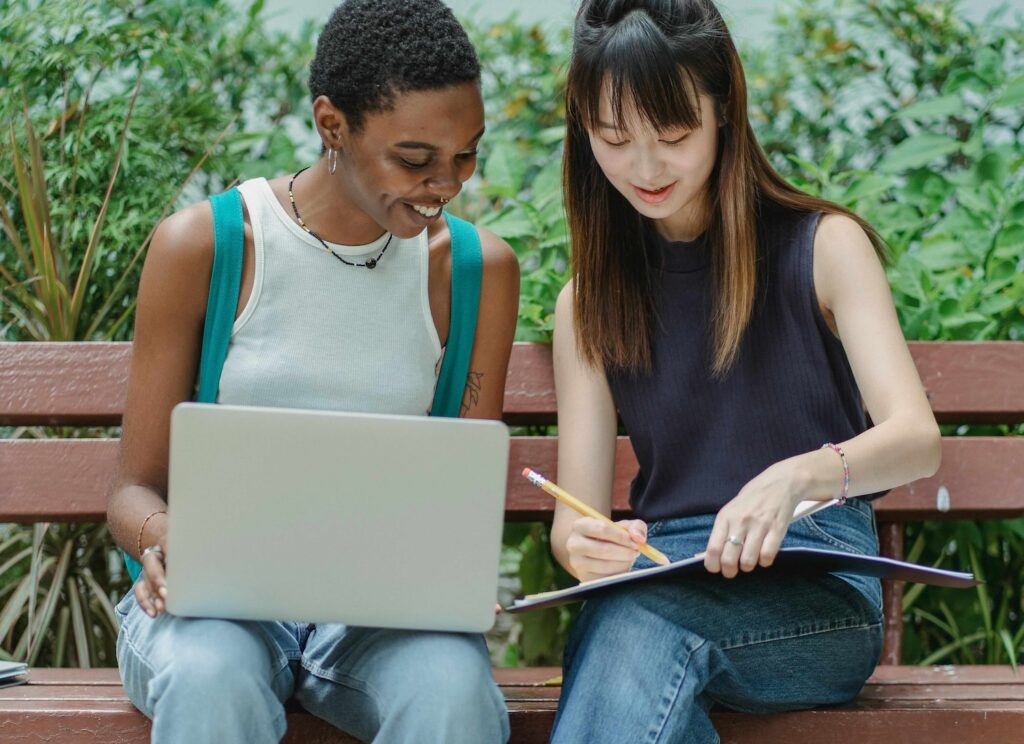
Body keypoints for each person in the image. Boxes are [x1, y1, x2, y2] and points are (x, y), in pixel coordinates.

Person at [106, 1, 518, 742]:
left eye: (466, 156)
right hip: (215, 612)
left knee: (452, 691)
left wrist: (452, 573)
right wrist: (169, 540)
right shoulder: (208, 245)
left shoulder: (473, 272)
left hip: (376, 620)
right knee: (212, 677)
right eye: (415, 159)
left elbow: (456, 491)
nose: (446, 184)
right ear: (333, 125)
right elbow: (131, 494)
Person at [548, 1, 941, 741]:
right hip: (664, 576)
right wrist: (585, 546)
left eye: (673, 134)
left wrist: (796, 478)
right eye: (614, 138)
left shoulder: (824, 247)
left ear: (724, 109)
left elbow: (916, 438)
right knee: (629, 622)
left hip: (815, 591)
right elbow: (575, 519)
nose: (646, 167)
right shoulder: (588, 305)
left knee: (629, 626)